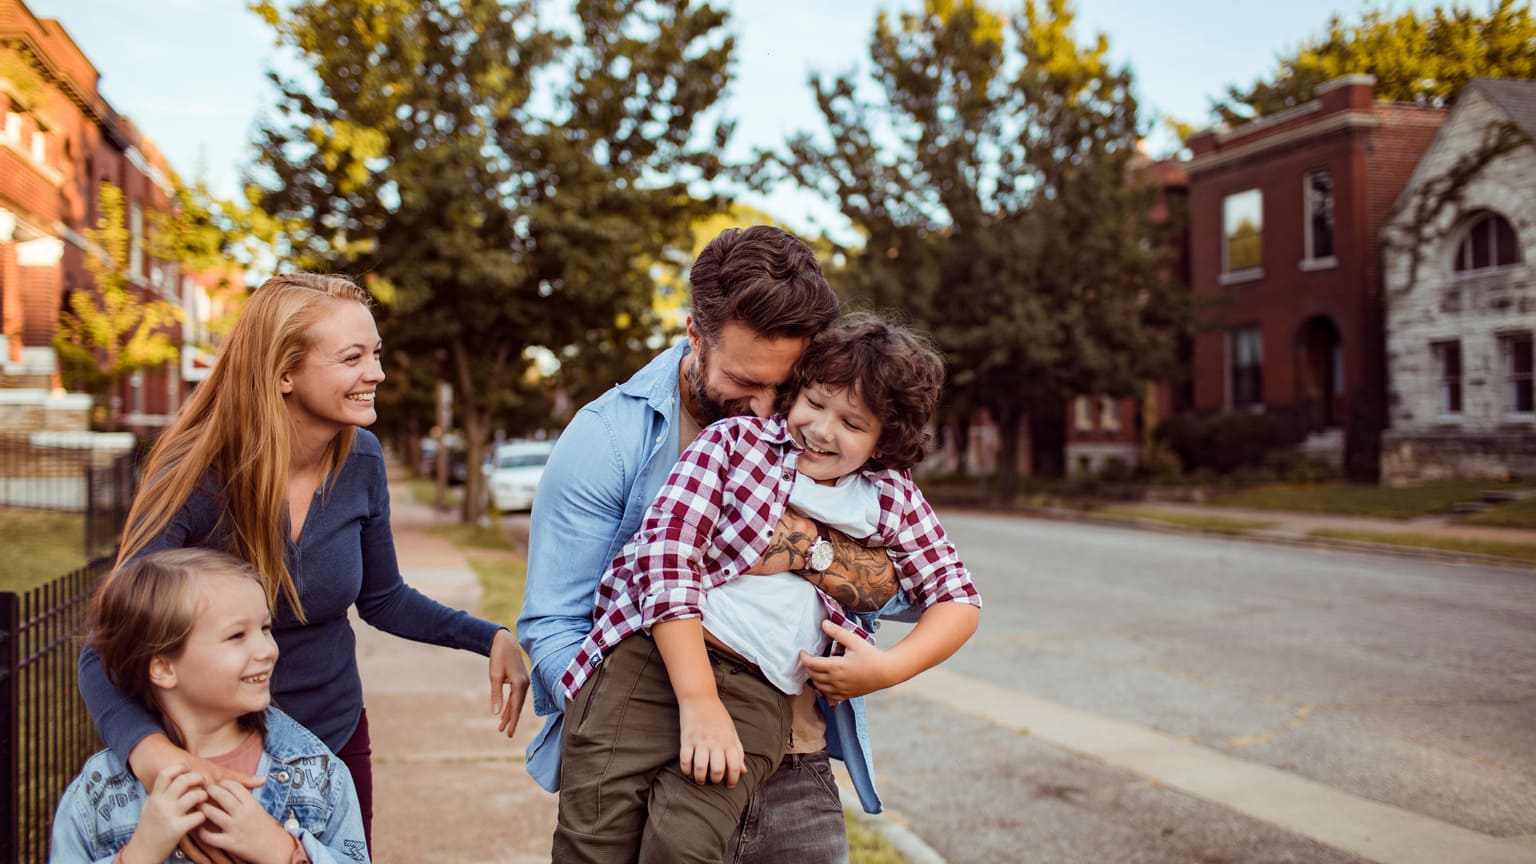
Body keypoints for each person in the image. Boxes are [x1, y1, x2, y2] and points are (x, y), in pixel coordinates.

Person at [76, 273, 527, 856]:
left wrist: (487, 635)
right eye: (352, 357)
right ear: (284, 373)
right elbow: (107, 646)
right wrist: (155, 756)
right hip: (215, 765)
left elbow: (382, 598)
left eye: (376, 354)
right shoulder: (196, 475)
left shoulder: (361, 457)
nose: (377, 374)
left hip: (332, 743)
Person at [520, 225, 901, 864]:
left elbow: (900, 583)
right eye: (745, 382)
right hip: (644, 760)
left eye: (783, 387)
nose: (764, 412)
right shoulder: (607, 440)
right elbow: (552, 625)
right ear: (695, 335)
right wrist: (661, 716)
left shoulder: (818, 420)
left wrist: (804, 547)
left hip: (792, 763)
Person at [554, 313, 982, 862]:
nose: (823, 429)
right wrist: (698, 697)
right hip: (648, 660)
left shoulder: (889, 497)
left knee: (682, 845)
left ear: (883, 440)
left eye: (853, 423)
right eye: (816, 402)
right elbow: (667, 554)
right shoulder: (734, 444)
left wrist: (888, 668)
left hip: (760, 695)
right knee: (594, 839)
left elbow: (958, 598)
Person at [51, 548, 369, 864]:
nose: (267, 650)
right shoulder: (99, 792)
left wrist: (282, 851)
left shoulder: (317, 775)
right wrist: (140, 854)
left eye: (265, 629)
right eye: (236, 636)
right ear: (162, 667)